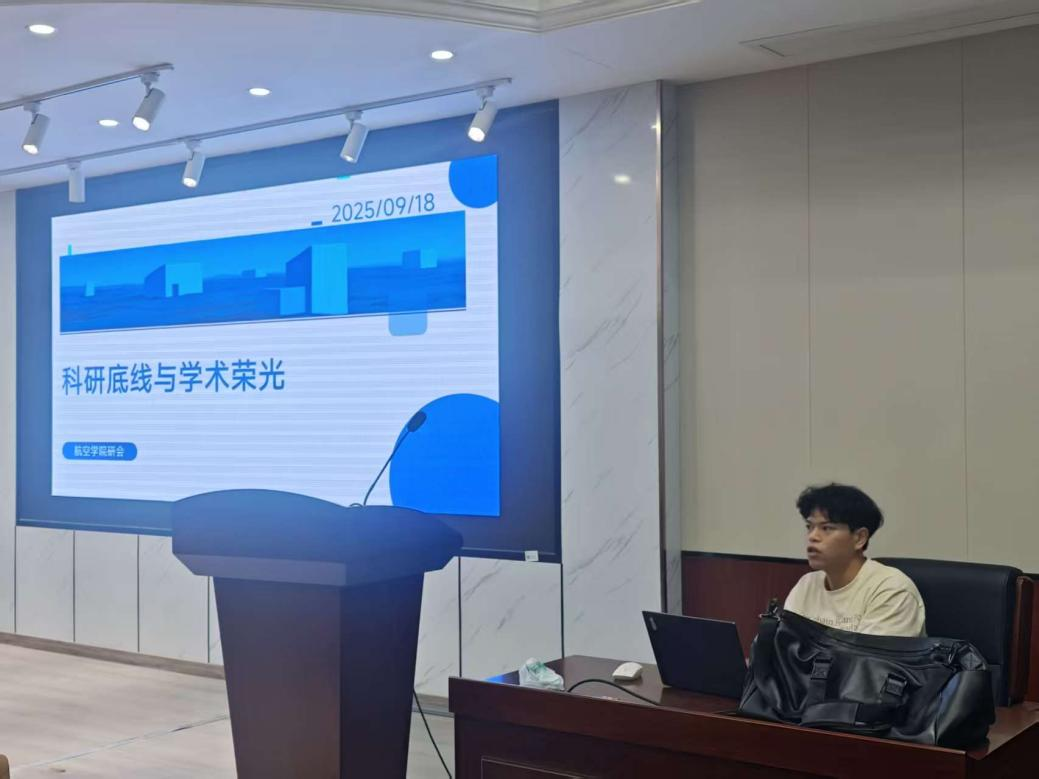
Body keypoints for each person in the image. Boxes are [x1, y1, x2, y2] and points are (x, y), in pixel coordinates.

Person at [784, 483, 925, 637]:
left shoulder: (892, 590)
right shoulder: (806, 585)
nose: (812, 537)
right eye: (809, 527)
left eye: (826, 528)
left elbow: (872, 653)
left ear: (859, 538)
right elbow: (783, 645)